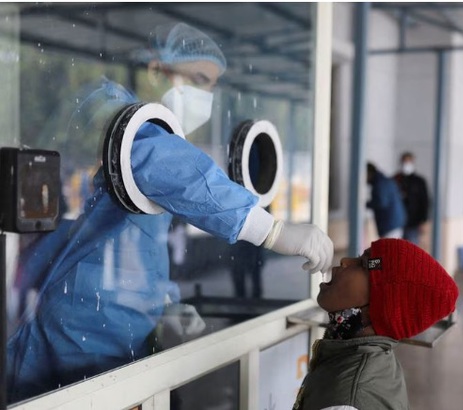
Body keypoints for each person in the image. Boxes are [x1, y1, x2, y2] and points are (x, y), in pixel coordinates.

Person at [6, 22, 334, 404]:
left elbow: (140, 243)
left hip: (119, 337)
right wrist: (272, 230)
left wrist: (163, 301)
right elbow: (162, 163)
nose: (205, 94)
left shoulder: (160, 141)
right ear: (156, 70)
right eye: (197, 78)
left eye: (211, 84)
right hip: (76, 331)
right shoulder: (110, 109)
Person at [292, 238, 459, 409]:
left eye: (363, 264)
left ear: (384, 306)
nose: (345, 261)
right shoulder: (373, 359)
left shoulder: (347, 400)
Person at [393, 152, 429, 245]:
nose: (406, 164)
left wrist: (424, 221)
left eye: (409, 162)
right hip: (396, 223)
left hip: (413, 222)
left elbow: (424, 202)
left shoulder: (419, 181)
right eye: (404, 162)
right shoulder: (395, 179)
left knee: (411, 248)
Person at [366, 162, 406, 239]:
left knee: (389, 249)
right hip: (394, 222)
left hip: (390, 224)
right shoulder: (384, 180)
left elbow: (381, 202)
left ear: (369, 173)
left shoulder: (380, 183)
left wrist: (364, 204)